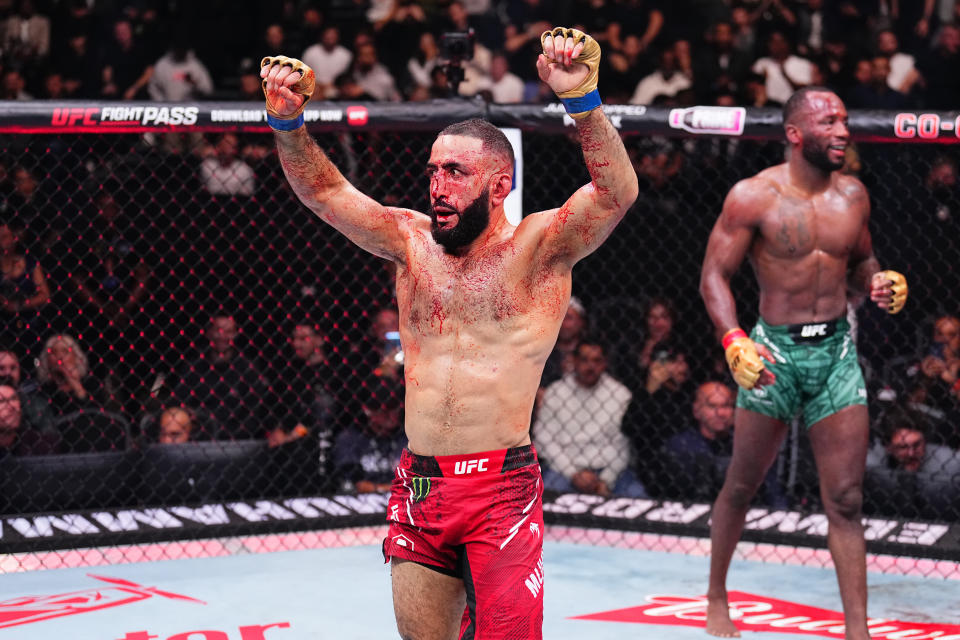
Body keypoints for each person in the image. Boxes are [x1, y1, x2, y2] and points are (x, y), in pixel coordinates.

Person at [259, 24, 637, 639]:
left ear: (499, 184)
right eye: (433, 171)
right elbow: (323, 190)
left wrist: (582, 102)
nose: (437, 186)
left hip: (500, 489)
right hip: (421, 482)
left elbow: (616, 193)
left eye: (456, 172)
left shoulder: (538, 249)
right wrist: (287, 123)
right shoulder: (411, 244)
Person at [699, 86, 908, 639]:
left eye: (844, 119)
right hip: (774, 355)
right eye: (829, 121)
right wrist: (733, 339)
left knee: (845, 498)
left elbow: (862, 262)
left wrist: (879, 283)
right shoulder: (754, 196)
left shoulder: (854, 196)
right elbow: (714, 276)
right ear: (795, 134)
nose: (843, 130)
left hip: (837, 351)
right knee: (742, 486)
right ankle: (717, 597)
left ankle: (857, 630)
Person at [533, 337, 645, 497]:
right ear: (574, 361)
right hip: (564, 469)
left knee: (638, 497)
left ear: (604, 363)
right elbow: (544, 439)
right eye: (584, 360)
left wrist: (605, 480)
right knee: (545, 497)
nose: (590, 366)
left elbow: (623, 446)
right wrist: (573, 473)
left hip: (609, 469)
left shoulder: (620, 394)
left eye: (596, 360)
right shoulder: (556, 392)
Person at [661, 381, 787, 506]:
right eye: (712, 406)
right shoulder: (680, 445)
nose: (720, 413)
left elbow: (774, 494)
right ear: (696, 411)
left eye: (726, 406)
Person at [864, 405, 960, 519]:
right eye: (903, 447)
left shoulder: (948, 465)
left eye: (917, 444)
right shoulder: (873, 466)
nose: (911, 453)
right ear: (888, 447)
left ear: (925, 440)